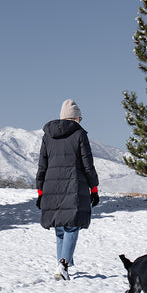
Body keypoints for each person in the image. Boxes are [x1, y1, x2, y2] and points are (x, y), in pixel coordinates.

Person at [35, 98, 100, 280]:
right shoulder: (80, 135)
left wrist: (40, 191)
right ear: (76, 118)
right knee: (72, 226)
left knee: (60, 228)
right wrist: (93, 188)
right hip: (74, 186)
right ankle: (63, 264)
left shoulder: (47, 136)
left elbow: (42, 166)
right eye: (80, 118)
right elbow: (88, 165)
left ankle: (61, 267)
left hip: (51, 187)